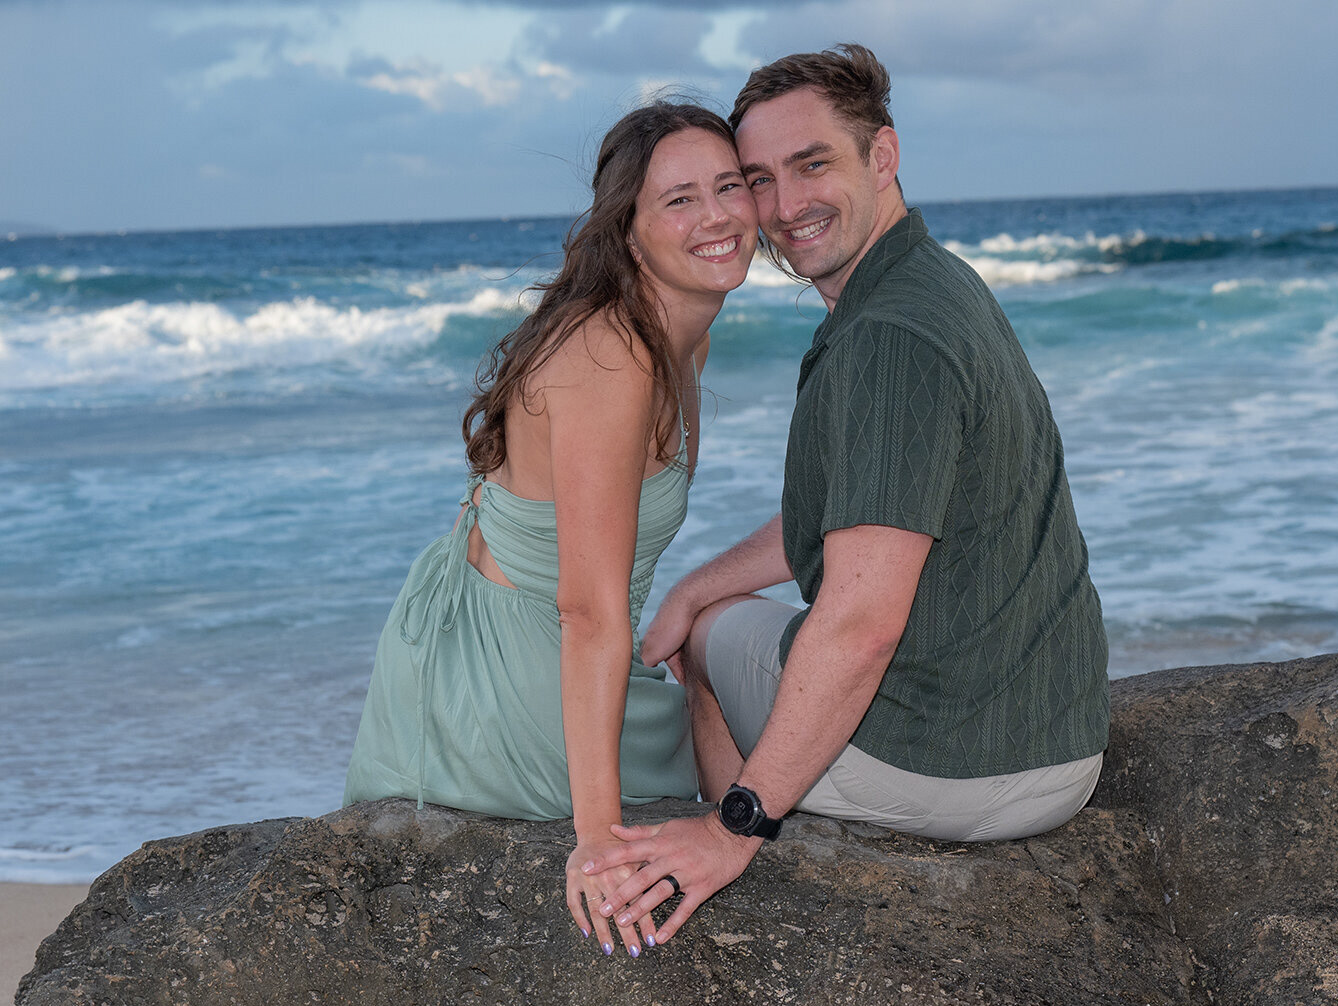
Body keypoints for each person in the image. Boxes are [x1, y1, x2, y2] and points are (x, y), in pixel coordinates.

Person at [584, 44, 1111, 944]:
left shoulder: (888, 340)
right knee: (712, 613)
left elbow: (862, 626)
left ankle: (731, 853)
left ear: (883, 156)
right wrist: (697, 584)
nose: (786, 206)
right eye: (760, 180)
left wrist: (735, 826)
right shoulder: (931, 282)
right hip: (1054, 739)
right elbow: (866, 509)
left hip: (956, 766)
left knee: (709, 646)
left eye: (812, 164)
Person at [342, 101, 758, 959]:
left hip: (550, 648)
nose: (716, 216)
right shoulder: (613, 353)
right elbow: (589, 612)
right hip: (511, 679)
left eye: (729, 186)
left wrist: (695, 593)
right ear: (629, 230)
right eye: (680, 199)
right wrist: (597, 834)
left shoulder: (682, 336)